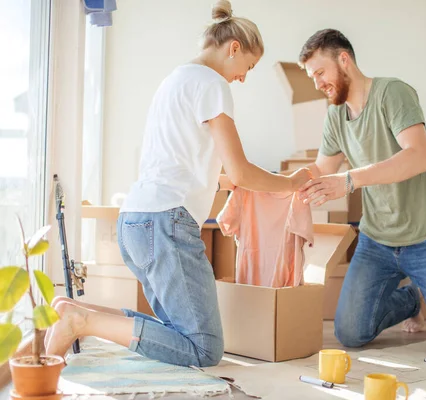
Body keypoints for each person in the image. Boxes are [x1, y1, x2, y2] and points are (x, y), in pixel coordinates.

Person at [44, 0, 311, 368]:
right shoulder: (213, 85)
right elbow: (241, 171)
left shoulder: (176, 79)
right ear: (234, 48)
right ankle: (82, 321)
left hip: (135, 221)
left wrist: (222, 184)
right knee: (203, 348)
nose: (243, 77)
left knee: (175, 328)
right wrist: (291, 182)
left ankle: (73, 309)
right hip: (165, 224)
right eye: (248, 67)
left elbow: (185, 164)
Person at [296, 29, 426, 356]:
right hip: (377, 242)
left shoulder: (392, 93)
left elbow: (420, 156)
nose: (317, 83)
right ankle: (411, 299)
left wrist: (350, 179)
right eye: (312, 77)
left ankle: (422, 295)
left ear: (344, 59)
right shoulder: (336, 116)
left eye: (321, 73)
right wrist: (259, 184)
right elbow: (321, 170)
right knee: (351, 333)